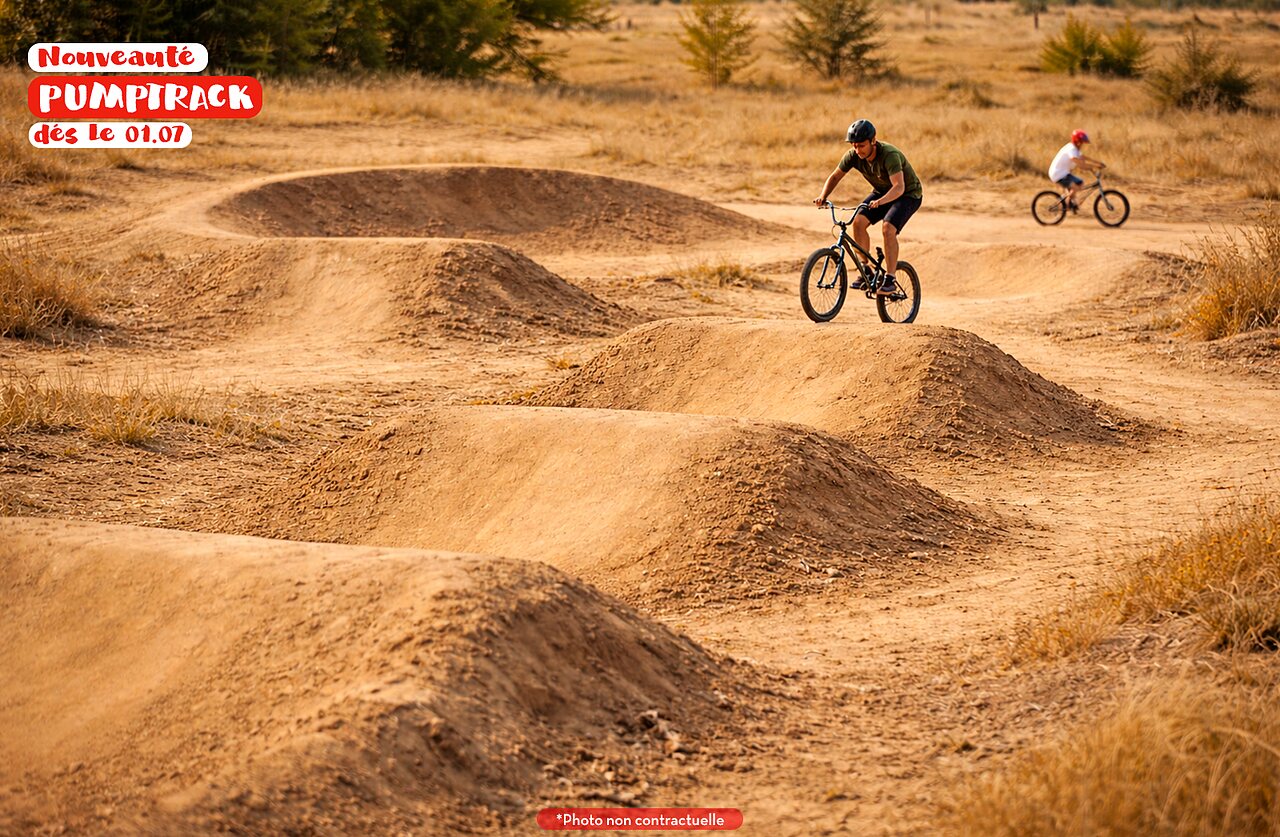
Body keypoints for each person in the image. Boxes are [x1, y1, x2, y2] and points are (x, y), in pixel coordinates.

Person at [813, 119, 923, 295]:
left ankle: (890, 278)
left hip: (908, 195)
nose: (857, 150)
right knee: (858, 222)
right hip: (881, 192)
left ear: (873, 141)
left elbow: (899, 187)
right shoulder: (853, 155)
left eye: (861, 146)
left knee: (888, 228)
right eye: (854, 146)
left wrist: (880, 202)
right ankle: (866, 269)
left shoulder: (889, 154)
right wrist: (822, 197)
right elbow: (835, 177)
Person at [1048, 130, 1105, 213]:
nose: (1082, 145)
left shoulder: (1075, 149)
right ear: (1077, 141)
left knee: (1080, 183)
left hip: (1063, 173)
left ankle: (1072, 203)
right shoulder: (1071, 149)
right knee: (1075, 187)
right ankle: (1066, 205)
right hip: (1058, 174)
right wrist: (1095, 166)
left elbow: (1083, 157)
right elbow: (1081, 165)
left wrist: (1097, 163)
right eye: (1081, 142)